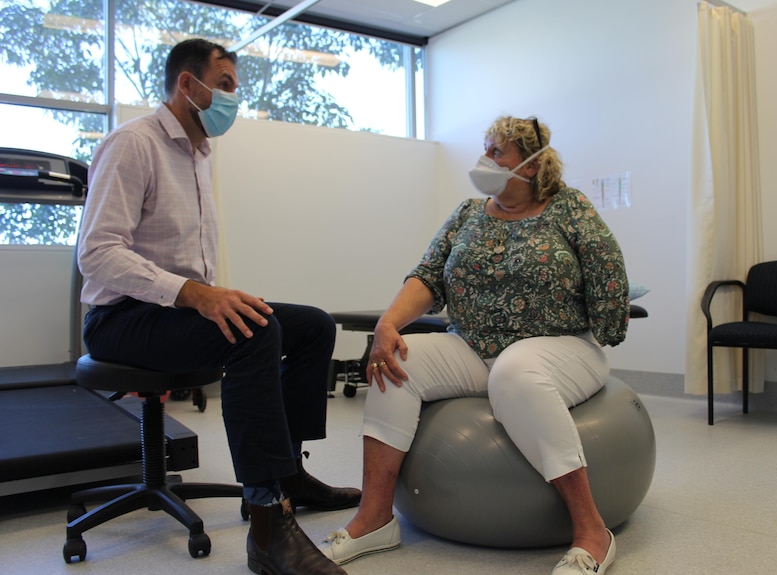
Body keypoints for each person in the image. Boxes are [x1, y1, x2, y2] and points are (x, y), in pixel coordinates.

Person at [76, 38, 358, 575]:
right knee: (253, 333)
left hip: (172, 311)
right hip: (119, 319)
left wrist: (206, 296)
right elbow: (98, 254)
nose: (233, 97)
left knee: (313, 326)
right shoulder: (132, 144)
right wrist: (196, 295)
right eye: (225, 85)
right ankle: (268, 521)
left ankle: (289, 474)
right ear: (188, 84)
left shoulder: (200, 154)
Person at [318, 116, 629, 575]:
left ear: (529, 164)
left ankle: (591, 531)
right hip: (474, 346)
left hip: (563, 347)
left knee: (515, 371)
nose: (485, 160)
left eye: (496, 151)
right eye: (485, 148)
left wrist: (608, 322)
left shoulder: (570, 208)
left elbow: (610, 278)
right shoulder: (467, 213)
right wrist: (388, 324)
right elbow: (426, 275)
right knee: (394, 361)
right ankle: (375, 517)